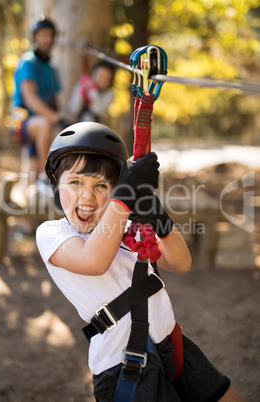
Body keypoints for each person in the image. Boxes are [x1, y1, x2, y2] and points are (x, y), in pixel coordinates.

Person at [36, 122, 243, 401]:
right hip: (122, 367)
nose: (87, 196)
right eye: (75, 182)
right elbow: (94, 260)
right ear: (55, 185)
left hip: (172, 345)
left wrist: (163, 224)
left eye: (101, 185)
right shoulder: (52, 233)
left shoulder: (126, 229)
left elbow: (181, 263)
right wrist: (124, 198)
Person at [10, 15, 64, 193]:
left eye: (50, 35)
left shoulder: (52, 67)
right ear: (35, 37)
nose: (47, 39)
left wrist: (61, 118)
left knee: (30, 170)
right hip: (22, 121)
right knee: (44, 124)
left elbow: (55, 100)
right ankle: (46, 176)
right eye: (42, 35)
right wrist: (55, 117)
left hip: (42, 123)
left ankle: (28, 215)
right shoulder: (28, 62)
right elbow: (29, 98)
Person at [68, 60, 115, 126]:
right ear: (93, 73)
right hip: (78, 125)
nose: (102, 81)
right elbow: (73, 109)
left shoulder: (110, 95)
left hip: (97, 127)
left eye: (106, 78)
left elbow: (99, 111)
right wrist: (81, 91)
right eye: (100, 76)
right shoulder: (82, 85)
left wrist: (92, 90)